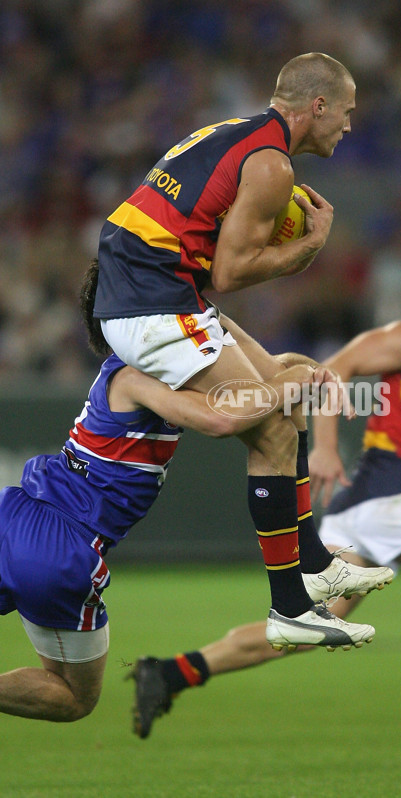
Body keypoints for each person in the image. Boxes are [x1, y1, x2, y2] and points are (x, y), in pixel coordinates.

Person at [130, 245, 401, 758]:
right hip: (393, 499)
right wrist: (328, 447)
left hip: (369, 509)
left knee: (303, 627)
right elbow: (333, 369)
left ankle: (173, 672)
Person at [92, 52, 392, 648]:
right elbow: (229, 271)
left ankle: (311, 562)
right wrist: (312, 246)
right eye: (347, 112)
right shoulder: (272, 164)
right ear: (318, 106)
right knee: (277, 417)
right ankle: (290, 608)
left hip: (148, 292)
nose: (349, 126)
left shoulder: (230, 133)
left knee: (292, 381)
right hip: (152, 304)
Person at [0, 260, 378, 724]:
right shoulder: (134, 376)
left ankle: (313, 565)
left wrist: (306, 374)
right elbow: (223, 417)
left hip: (12, 514)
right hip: (62, 547)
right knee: (73, 697)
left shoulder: (161, 363)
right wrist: (297, 382)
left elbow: (259, 381)